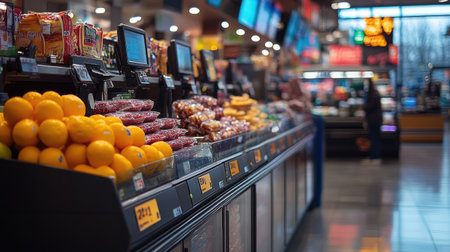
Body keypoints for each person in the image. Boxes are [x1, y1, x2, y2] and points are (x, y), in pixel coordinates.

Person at [362, 79, 383, 165]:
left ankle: (376, 158)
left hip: (374, 120)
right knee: (373, 139)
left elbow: (370, 106)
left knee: (375, 140)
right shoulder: (374, 93)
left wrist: (364, 106)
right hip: (374, 120)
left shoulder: (373, 94)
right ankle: (372, 157)